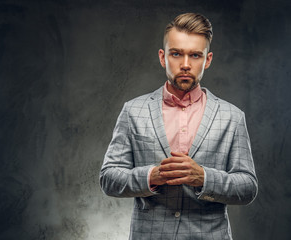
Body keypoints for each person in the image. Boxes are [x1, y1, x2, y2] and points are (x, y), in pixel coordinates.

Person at [100, 13, 257, 240]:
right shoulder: (133, 110)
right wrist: (152, 176)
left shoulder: (232, 116)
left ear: (208, 60)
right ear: (163, 57)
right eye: (176, 54)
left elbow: (248, 187)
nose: (185, 65)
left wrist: (203, 177)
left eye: (195, 55)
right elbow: (108, 178)